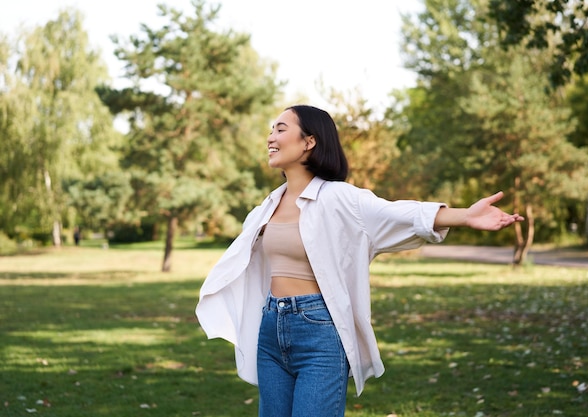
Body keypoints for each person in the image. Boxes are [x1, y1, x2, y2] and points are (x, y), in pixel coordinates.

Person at [195, 105, 524, 417]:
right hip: (270, 328)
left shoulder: (339, 198)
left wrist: (465, 216)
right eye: (271, 130)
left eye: (280, 129)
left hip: (318, 331)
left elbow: (397, 213)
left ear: (310, 141)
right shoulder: (264, 208)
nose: (270, 138)